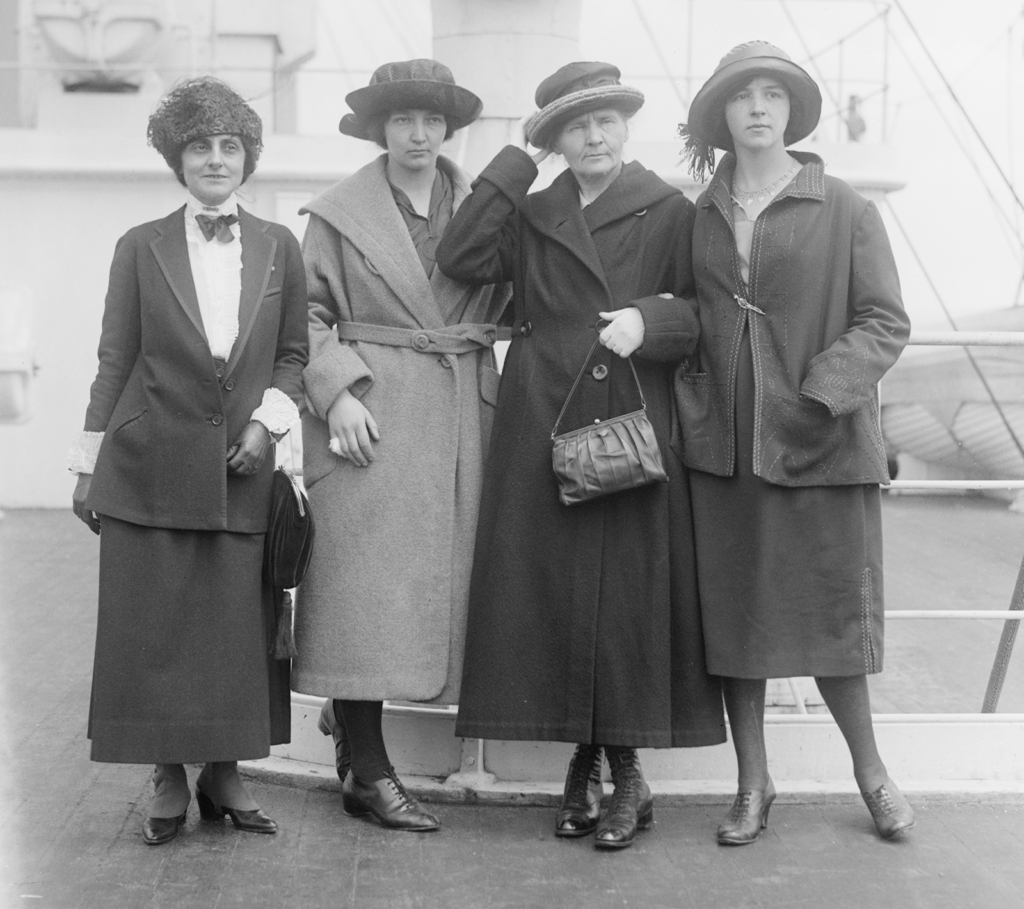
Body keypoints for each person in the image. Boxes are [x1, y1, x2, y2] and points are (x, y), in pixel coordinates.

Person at [435, 61, 726, 851]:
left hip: (630, 415)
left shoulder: (669, 208)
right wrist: (514, 162)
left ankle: (624, 772)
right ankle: (583, 761)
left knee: (624, 597)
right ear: (554, 140)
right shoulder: (533, 210)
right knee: (560, 592)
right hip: (543, 415)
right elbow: (461, 257)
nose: (594, 136)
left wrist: (649, 319)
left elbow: (703, 312)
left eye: (605, 120)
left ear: (626, 126)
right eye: (575, 125)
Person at [676, 41, 913, 844]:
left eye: (773, 95)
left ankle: (872, 774)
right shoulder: (699, 213)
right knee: (737, 623)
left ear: (789, 112)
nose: (758, 109)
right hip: (725, 450)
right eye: (743, 96)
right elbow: (685, 314)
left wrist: (822, 391)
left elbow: (884, 319)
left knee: (832, 619)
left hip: (821, 442)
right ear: (724, 114)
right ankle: (753, 785)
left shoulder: (844, 205)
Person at [69, 76, 308, 845]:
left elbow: (295, 356)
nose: (215, 159)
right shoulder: (139, 245)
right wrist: (85, 462)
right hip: (148, 463)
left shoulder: (280, 245)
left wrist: (269, 426)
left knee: (236, 625)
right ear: (179, 159)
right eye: (200, 146)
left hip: (243, 464)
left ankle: (226, 771)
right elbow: (115, 357)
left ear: (248, 158)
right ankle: (168, 773)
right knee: (157, 627)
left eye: (229, 146)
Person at [292, 59, 510, 832]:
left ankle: (355, 738)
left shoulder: (487, 206)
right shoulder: (338, 214)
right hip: (369, 414)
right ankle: (369, 768)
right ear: (378, 129)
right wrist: (338, 391)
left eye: (430, 119)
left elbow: (526, 295)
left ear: (449, 128)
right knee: (364, 589)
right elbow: (304, 314)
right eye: (401, 120)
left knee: (433, 584)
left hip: (458, 408)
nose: (417, 134)